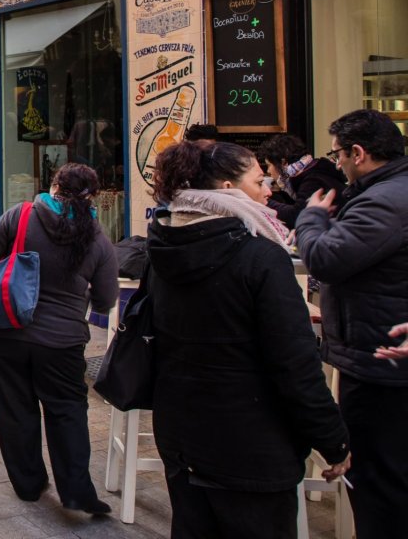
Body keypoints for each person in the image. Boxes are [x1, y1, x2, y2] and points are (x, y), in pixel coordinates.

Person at [148, 140, 351, 538]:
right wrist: (333, 441)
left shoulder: (165, 246)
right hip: (251, 444)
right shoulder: (260, 256)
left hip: (180, 435)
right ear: (228, 188)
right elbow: (295, 364)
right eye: (259, 182)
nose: (268, 190)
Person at [0, 163, 119, 513]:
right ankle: (76, 492)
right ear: (93, 197)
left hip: (7, 332)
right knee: (68, 412)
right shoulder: (98, 239)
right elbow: (105, 300)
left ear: (53, 185)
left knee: (14, 410)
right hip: (63, 343)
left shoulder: (20, 216)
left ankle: (28, 485)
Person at [295, 109, 408, 539]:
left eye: (337, 154)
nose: (337, 163)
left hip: (381, 360)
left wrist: (311, 218)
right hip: (381, 350)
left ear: (357, 153)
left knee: (380, 482)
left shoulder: (384, 201)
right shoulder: (387, 193)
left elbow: (325, 258)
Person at [258, 133, 347, 230]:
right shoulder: (315, 169)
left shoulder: (313, 180)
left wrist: (263, 200)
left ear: (283, 162)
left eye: (269, 165)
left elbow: (297, 216)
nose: (268, 171)